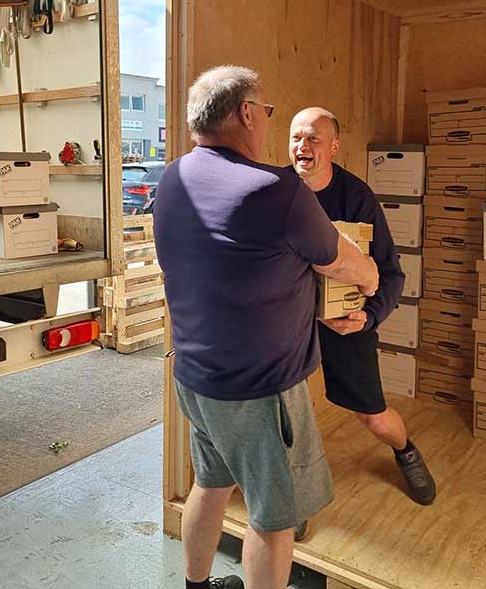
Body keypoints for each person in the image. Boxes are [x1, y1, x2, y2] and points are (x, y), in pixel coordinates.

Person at [154, 67, 379, 589]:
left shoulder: (172, 178)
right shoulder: (276, 190)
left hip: (195, 377)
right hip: (259, 390)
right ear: (247, 113)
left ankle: (195, 585)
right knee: (274, 518)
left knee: (209, 486)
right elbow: (340, 261)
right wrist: (370, 277)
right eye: (268, 112)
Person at [288, 106, 436, 510]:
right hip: (287, 324)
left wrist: (366, 318)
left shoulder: (356, 197)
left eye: (313, 138)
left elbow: (391, 274)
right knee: (283, 415)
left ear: (333, 147)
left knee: (373, 415)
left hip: (343, 325)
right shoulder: (275, 190)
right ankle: (289, 500)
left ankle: (405, 450)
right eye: (296, 137)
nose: (303, 146)